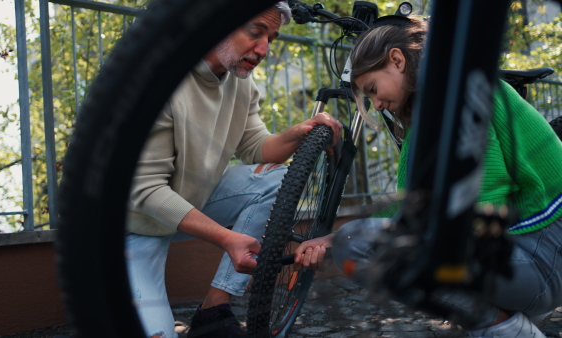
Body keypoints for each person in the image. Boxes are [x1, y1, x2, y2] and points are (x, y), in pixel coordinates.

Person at [294, 16, 562, 338]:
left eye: (373, 89)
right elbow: (410, 207)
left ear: (397, 59)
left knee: (361, 244)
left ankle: (508, 329)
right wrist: (331, 239)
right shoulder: (433, 109)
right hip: (535, 255)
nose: (376, 104)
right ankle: (504, 321)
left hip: (544, 258)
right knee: (357, 239)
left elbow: (482, 202)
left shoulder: (458, 95)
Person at [125, 2, 343, 338]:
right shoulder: (158, 80)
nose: (264, 49)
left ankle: (214, 306)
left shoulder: (240, 82)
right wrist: (227, 239)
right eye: (255, 32)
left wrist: (300, 132)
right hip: (132, 226)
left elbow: (256, 148)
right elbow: (144, 191)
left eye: (271, 38)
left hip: (188, 202)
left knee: (276, 179)